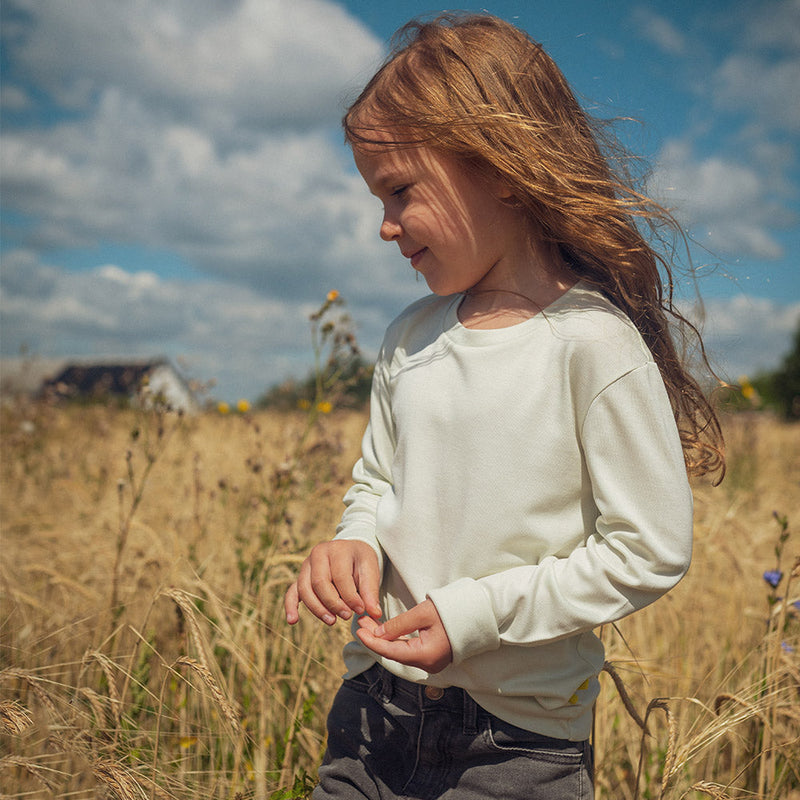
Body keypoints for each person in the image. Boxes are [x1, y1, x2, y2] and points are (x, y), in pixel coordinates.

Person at [284, 13, 724, 800]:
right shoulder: (407, 338)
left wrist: (472, 616)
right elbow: (376, 483)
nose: (383, 226)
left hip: (515, 747)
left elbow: (649, 549)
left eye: (399, 191)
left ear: (501, 168)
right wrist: (351, 543)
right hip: (373, 717)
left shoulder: (592, 344)